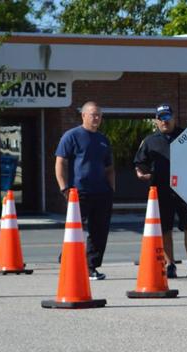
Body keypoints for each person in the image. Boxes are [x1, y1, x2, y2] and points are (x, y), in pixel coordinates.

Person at [133, 104, 187, 279]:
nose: (164, 121)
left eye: (167, 117)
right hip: (162, 190)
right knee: (165, 229)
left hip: (186, 191)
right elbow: (139, 163)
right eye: (161, 118)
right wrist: (141, 173)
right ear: (156, 121)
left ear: (174, 118)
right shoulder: (150, 141)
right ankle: (170, 264)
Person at [55, 101, 115, 280]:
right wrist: (64, 187)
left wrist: (111, 189)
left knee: (99, 231)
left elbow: (109, 167)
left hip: (101, 192)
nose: (96, 118)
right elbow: (60, 162)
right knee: (75, 229)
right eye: (93, 114)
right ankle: (68, 258)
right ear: (83, 116)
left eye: (99, 115)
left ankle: (91, 267)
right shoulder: (71, 136)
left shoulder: (103, 140)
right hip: (78, 191)